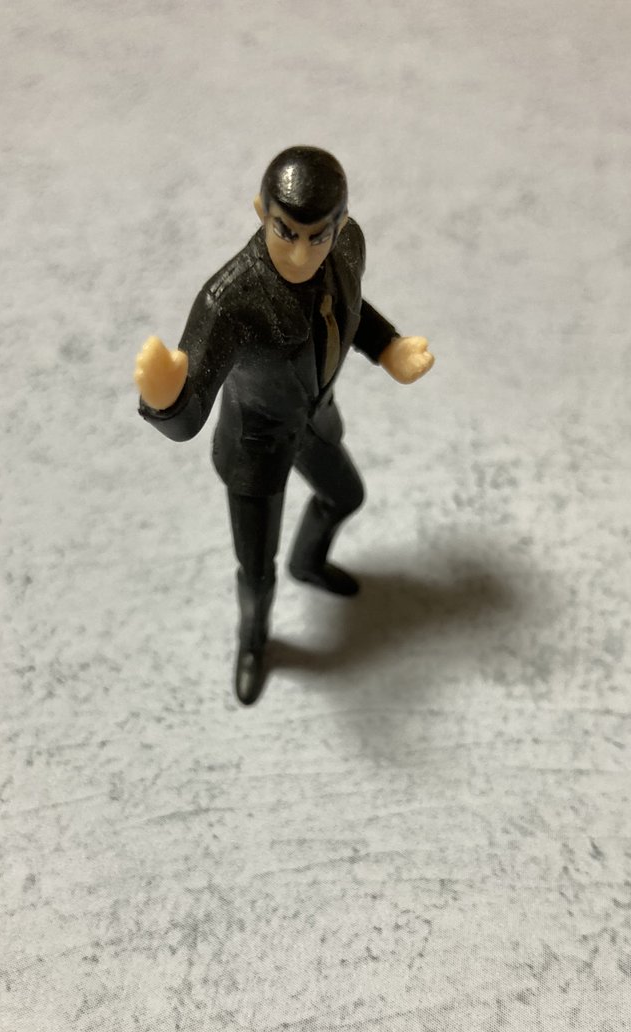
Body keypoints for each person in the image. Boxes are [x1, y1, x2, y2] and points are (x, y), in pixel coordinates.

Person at [135, 146, 434, 705]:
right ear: (261, 212)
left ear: (340, 225)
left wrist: (388, 347)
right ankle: (253, 641)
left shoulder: (347, 249)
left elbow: (351, 308)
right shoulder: (229, 301)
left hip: (314, 423)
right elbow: (191, 412)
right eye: (286, 232)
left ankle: (308, 563)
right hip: (256, 447)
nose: (302, 253)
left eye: (318, 236)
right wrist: (166, 398)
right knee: (256, 571)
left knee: (346, 497)